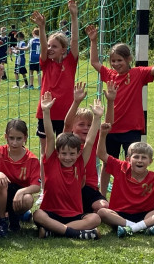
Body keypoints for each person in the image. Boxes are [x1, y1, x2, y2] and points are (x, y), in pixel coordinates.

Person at [87, 24, 154, 197]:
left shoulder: (138, 73)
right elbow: (94, 62)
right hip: (111, 127)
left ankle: (128, 193)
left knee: (130, 163)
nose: (116, 64)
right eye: (113, 61)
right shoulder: (109, 74)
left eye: (119, 60)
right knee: (108, 162)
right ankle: (102, 196)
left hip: (132, 129)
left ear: (129, 59)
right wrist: (93, 41)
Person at [32, 92, 102, 240]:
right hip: (51, 213)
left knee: (95, 219)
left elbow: (89, 141)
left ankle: (53, 231)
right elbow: (50, 137)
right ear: (57, 153)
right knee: (38, 214)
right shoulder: (51, 160)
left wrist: (97, 117)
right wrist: (45, 111)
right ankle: (75, 233)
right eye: (64, 153)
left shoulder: (80, 162)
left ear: (78, 154)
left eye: (72, 154)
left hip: (74, 215)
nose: (68, 157)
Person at [32, 0, 79, 152]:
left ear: (63, 50)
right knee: (46, 151)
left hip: (66, 115)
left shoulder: (71, 62)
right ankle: (44, 176)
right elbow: (44, 46)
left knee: (65, 151)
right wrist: (41, 26)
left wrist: (73, 16)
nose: (50, 49)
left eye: (55, 46)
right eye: (49, 46)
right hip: (46, 112)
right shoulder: (46, 63)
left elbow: (74, 40)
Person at [63, 81, 116, 215]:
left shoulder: (94, 138)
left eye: (89, 125)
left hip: (89, 188)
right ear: (74, 127)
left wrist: (110, 102)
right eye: (81, 124)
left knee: (104, 206)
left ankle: (88, 211)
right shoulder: (68, 140)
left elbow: (108, 124)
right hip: (69, 187)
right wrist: (76, 102)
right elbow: (67, 124)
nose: (86, 128)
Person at [0, 119, 41, 237]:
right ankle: (2, 222)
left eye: (19, 138)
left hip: (18, 197)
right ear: (6, 136)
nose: (15, 142)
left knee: (28, 199)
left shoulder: (32, 159)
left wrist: (22, 191)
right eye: (11, 138)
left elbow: (37, 186)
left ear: (25, 138)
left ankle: (15, 217)